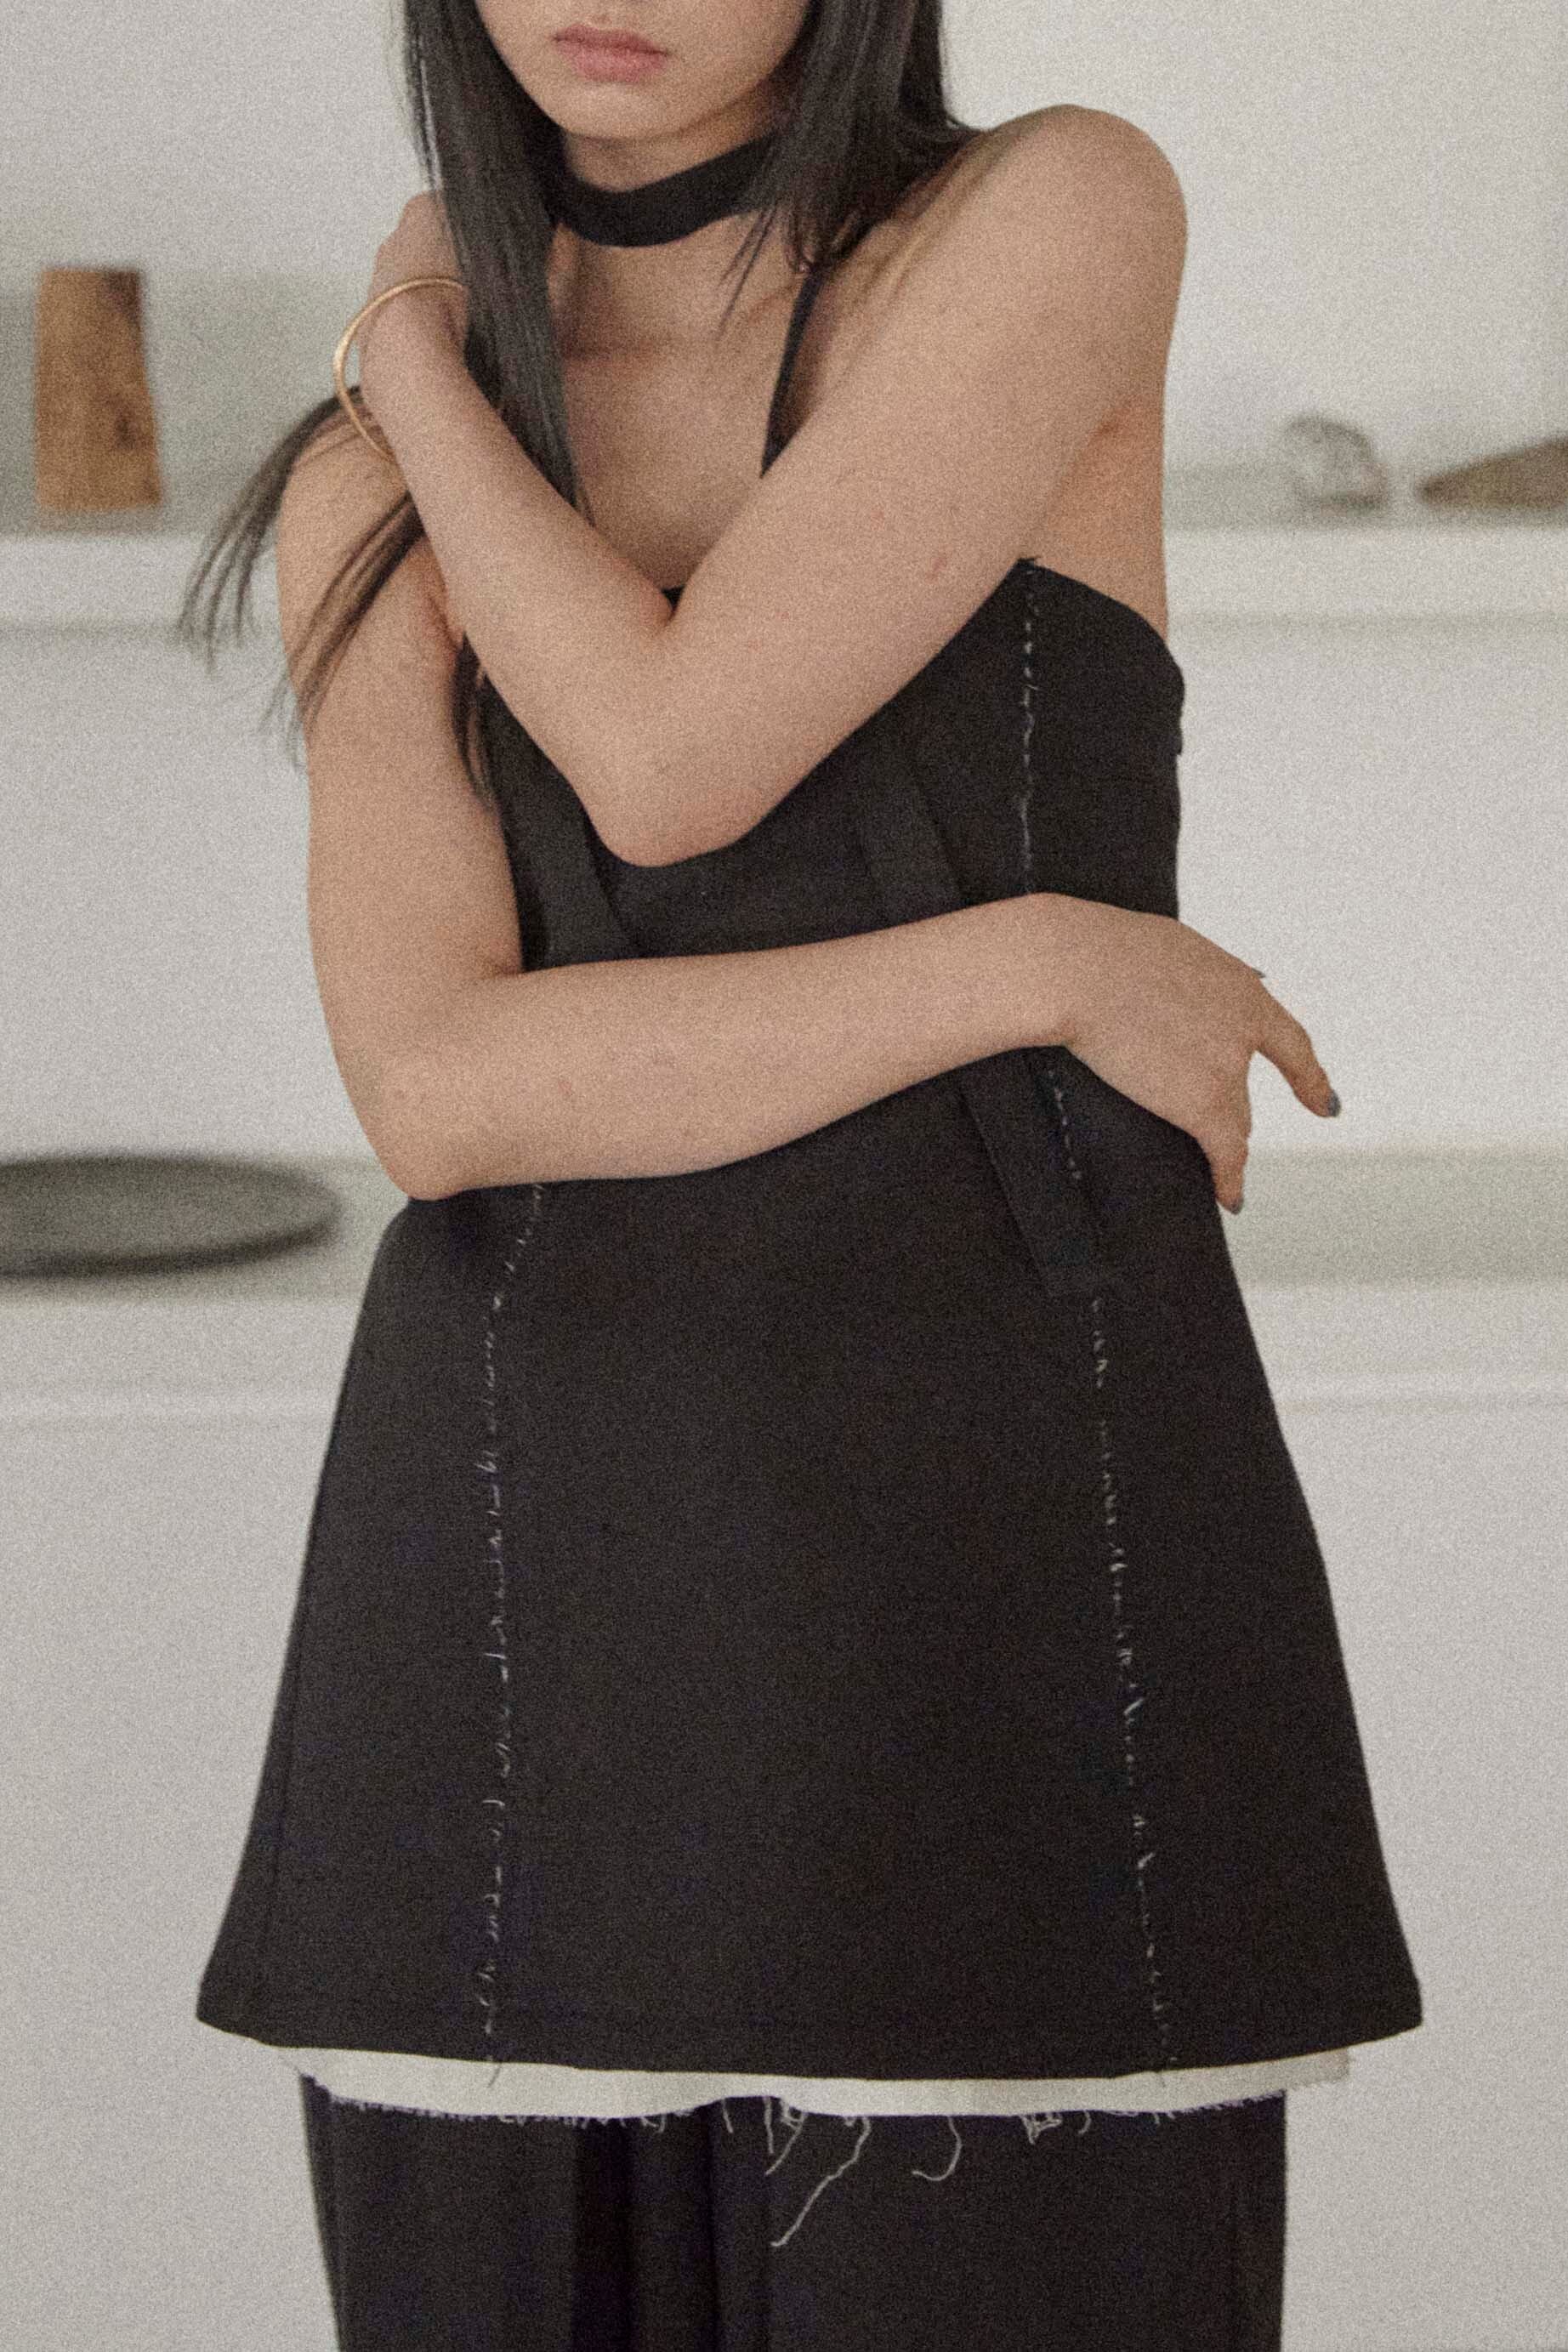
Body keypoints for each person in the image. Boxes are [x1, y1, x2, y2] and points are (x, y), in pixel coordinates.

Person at [177, 3, 1423, 2344]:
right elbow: (444, 1093)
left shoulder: (1047, 210)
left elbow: (672, 760)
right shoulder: (391, 456)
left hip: (993, 1572)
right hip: (517, 1609)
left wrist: (407, 369)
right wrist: (1034, 961)